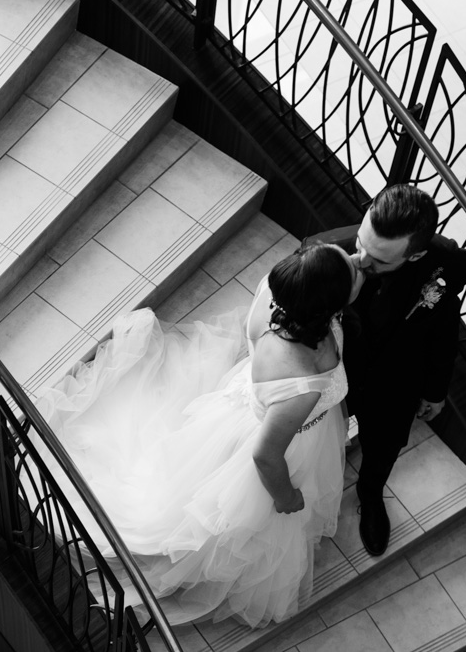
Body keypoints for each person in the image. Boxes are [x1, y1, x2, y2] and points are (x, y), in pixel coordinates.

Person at [35, 243, 359, 628]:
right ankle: (193, 567)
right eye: (352, 267)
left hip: (244, 405)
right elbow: (265, 456)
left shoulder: (272, 295)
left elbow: (253, 338)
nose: (358, 262)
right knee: (230, 524)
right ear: (330, 308)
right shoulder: (305, 380)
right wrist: (286, 497)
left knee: (194, 488)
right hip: (279, 441)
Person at [306, 184, 466, 557]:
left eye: (379, 260)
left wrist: (435, 389)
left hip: (396, 384)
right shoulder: (322, 253)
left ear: (414, 256)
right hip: (336, 376)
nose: (361, 261)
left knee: (383, 449)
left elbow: (443, 329)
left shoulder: (449, 265)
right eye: (362, 244)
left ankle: (370, 494)